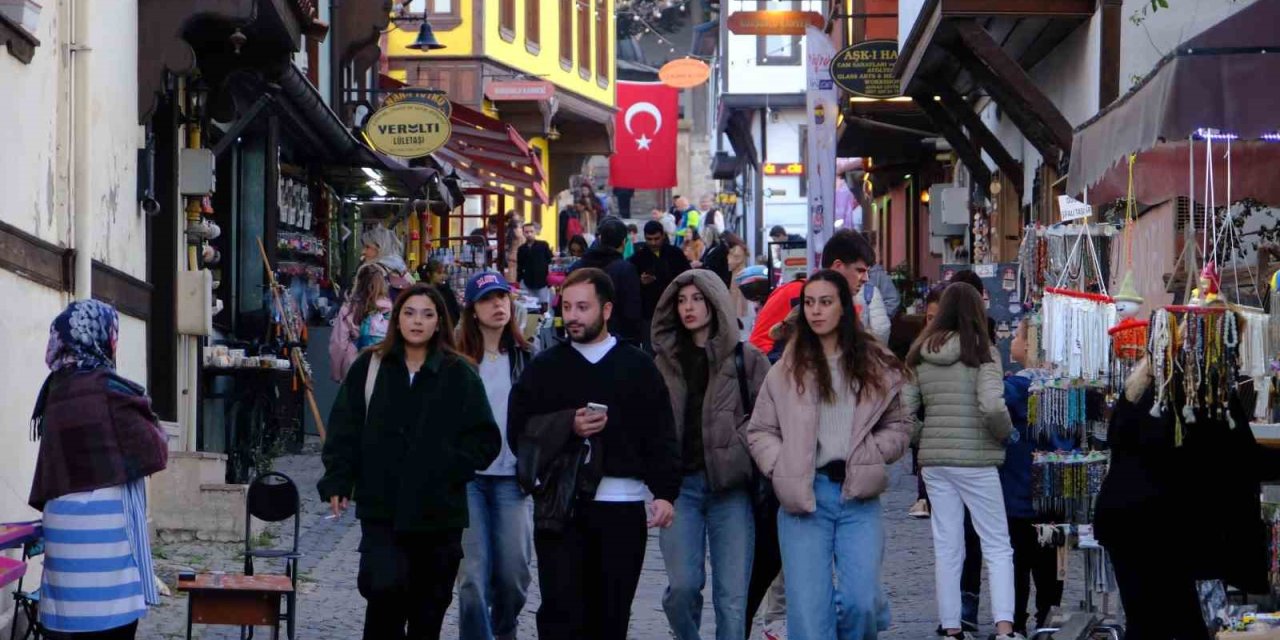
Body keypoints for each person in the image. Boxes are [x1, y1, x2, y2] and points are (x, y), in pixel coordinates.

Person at [507, 268, 682, 640]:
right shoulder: (545, 368)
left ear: (606, 310)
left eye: (582, 307)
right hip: (561, 508)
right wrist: (565, 425)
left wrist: (665, 492)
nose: (572, 316)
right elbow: (518, 429)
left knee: (611, 618)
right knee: (560, 616)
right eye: (567, 306)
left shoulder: (637, 366)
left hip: (621, 507)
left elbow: (661, 433)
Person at [319, 284, 501, 640]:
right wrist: (338, 480)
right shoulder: (370, 367)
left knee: (426, 615)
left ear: (439, 323)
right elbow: (345, 428)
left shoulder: (459, 374)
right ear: (396, 319)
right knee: (383, 599)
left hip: (438, 516)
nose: (417, 321)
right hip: (383, 509)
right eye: (409, 313)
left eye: (427, 314)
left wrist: (448, 467)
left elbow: (485, 439)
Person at [746, 269, 912, 639]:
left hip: (858, 495)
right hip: (805, 498)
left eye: (825, 302)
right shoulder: (786, 369)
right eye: (809, 303)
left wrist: (872, 451)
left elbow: (900, 427)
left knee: (861, 602)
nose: (816, 311)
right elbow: (759, 431)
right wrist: (782, 466)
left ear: (843, 308)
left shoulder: (874, 365)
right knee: (808, 615)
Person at [29, 300, 169, 639]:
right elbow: (155, 450)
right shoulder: (108, 389)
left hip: (63, 532)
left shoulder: (53, 391)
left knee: (68, 625)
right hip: (105, 538)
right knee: (111, 627)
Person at [651, 270, 770, 640]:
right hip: (680, 489)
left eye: (697, 299)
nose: (689, 308)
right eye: (682, 300)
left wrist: (741, 444)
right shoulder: (662, 363)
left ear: (714, 302)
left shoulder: (746, 359)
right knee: (683, 587)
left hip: (732, 490)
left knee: (732, 599)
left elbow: (769, 418)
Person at [902, 283, 1022, 640]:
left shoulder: (920, 353)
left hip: (936, 462)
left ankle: (951, 628)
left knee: (947, 544)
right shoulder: (982, 352)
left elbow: (905, 414)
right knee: (997, 543)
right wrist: (1004, 435)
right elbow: (993, 406)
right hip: (978, 460)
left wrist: (926, 437)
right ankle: (1004, 628)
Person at [454, 272, 536, 640]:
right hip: (468, 478)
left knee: (514, 574)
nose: (498, 305)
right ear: (473, 310)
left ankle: (505, 630)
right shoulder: (457, 361)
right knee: (472, 576)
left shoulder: (526, 357)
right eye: (488, 299)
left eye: (502, 297)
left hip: (511, 478)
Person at [1001, 318, 1063, 635]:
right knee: (1048, 563)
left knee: (1015, 564)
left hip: (1014, 489)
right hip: (1051, 492)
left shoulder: (1011, 389)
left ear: (1028, 345)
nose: (1011, 339)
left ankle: (1015, 624)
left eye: (1015, 335)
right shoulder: (1061, 389)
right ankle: (1047, 620)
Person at [749, 230, 883, 358]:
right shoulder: (793, 293)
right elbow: (757, 349)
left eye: (867, 272)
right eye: (860, 271)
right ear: (838, 266)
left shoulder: (850, 305)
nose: (866, 278)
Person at [568, 217, 644, 344]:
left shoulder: (578, 267)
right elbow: (632, 311)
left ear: (600, 239)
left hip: (582, 336)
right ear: (624, 242)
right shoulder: (626, 270)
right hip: (616, 341)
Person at [330, 263, 394, 381]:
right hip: (384, 363)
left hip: (355, 363)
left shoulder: (348, 309)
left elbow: (338, 344)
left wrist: (337, 374)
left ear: (358, 282)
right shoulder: (391, 309)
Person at [631, 220, 692, 328]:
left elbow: (687, 276)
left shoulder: (675, 253)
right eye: (649, 239)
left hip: (674, 308)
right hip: (650, 312)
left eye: (656, 239)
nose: (653, 243)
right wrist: (640, 282)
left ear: (663, 236)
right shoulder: (638, 258)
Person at [363, 225, 412, 297]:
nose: (363, 252)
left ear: (380, 247)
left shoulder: (372, 272)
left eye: (367, 247)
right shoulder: (404, 273)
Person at [517, 222, 554, 307]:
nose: (529, 234)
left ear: (535, 232)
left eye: (531, 231)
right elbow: (519, 265)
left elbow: (550, 261)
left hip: (542, 281)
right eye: (526, 232)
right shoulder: (521, 249)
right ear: (523, 233)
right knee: (528, 306)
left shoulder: (543, 245)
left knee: (543, 305)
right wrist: (519, 280)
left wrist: (550, 279)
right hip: (527, 281)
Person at [417, 258, 462, 328]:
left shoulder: (446, 291)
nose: (442, 276)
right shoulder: (422, 291)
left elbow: (455, 311)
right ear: (429, 274)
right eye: (439, 273)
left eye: (443, 272)